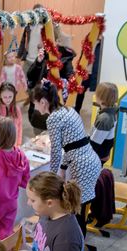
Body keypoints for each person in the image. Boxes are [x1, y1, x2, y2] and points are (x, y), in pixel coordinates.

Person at [32, 81, 101, 238]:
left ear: (43, 102)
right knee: (80, 209)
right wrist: (62, 168)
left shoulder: (53, 119)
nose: (35, 107)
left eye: (35, 103)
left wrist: (50, 177)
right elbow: (71, 144)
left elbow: (56, 151)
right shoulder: (68, 110)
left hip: (81, 167)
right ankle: (78, 244)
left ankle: (76, 246)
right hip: (91, 160)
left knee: (76, 212)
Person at [90, 82, 119, 163]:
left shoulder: (104, 119)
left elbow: (94, 144)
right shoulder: (112, 109)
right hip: (103, 150)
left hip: (98, 155)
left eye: (97, 93)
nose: (95, 95)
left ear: (101, 98)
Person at [18, 3, 45, 75]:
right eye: (36, 12)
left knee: (38, 80)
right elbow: (23, 40)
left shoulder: (45, 26)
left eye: (40, 12)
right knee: (23, 78)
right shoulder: (29, 25)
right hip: (28, 59)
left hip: (39, 61)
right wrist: (19, 56)